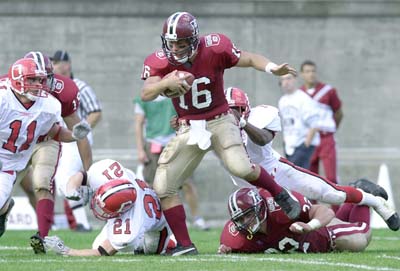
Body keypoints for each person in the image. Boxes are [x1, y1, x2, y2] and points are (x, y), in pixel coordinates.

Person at [141, 11, 298, 255]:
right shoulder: (160, 61)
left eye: (181, 44)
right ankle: (184, 244)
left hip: (220, 119)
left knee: (242, 168)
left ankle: (280, 194)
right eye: (171, 43)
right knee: (164, 187)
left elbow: (247, 58)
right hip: (189, 126)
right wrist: (165, 82)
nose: (175, 49)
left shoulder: (215, 47)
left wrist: (272, 68)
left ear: (194, 39)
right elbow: (147, 92)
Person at [224, 86, 399, 231]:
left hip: (277, 173)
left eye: (238, 109)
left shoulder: (259, 117)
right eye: (230, 110)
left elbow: (263, 139)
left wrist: (243, 124)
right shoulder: (214, 127)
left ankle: (376, 202)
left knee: (331, 194)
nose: (234, 114)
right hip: (248, 186)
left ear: (246, 108)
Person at [0, 58, 90, 239]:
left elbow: (53, 131)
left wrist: (74, 135)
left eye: (40, 80)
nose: (38, 85)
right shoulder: (3, 98)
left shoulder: (48, 105)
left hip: (10, 164)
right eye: (32, 80)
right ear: (17, 79)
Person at [218, 187, 373, 254]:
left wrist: (310, 225)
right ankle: (353, 196)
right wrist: (227, 251)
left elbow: (324, 211)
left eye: (248, 215)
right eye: (240, 219)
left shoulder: (280, 207)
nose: (245, 222)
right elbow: (235, 248)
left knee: (360, 239)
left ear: (260, 207)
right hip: (310, 245)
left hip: (324, 233)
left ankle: (364, 198)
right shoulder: (235, 237)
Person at [134, 95, 209, 230]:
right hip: (153, 144)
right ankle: (157, 219)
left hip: (175, 142)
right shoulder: (143, 99)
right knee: (152, 186)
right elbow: (138, 124)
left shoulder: (175, 95)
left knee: (187, 183)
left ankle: (197, 218)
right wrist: (140, 149)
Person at [44, 178, 173, 256]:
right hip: (140, 210)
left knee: (149, 252)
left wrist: (66, 250)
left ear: (122, 209)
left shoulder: (129, 227)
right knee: (96, 244)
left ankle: (171, 241)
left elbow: (101, 252)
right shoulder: (125, 180)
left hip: (158, 228)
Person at [51, 50, 102, 233]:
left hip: (76, 139)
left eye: (57, 62)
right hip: (61, 137)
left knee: (66, 178)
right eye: (53, 62)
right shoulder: (51, 88)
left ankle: (84, 222)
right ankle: (83, 222)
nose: (54, 65)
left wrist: (83, 129)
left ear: (67, 64)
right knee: (63, 182)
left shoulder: (80, 86)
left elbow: (96, 111)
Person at [300, 60, 343, 184]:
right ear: (302, 74)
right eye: (307, 71)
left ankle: (335, 204)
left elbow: (338, 112)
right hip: (309, 138)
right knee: (310, 177)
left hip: (326, 137)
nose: (311, 74)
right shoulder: (299, 94)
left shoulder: (328, 91)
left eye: (313, 71)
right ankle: (311, 204)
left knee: (331, 177)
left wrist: (332, 127)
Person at [278, 74, 321, 169]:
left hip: (303, 145)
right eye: (283, 79)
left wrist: (305, 145)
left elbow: (314, 124)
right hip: (289, 146)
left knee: (300, 178)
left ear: (295, 80)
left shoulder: (304, 99)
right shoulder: (282, 101)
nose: (286, 82)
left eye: (288, 78)